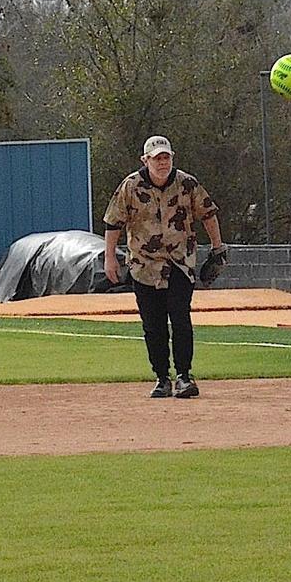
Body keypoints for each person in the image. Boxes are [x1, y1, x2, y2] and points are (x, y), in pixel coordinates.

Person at [102, 135, 225, 399]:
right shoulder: (131, 186)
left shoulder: (187, 183)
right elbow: (113, 222)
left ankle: (183, 376)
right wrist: (110, 257)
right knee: (153, 325)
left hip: (180, 263)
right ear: (145, 160)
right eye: (156, 158)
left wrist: (217, 248)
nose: (162, 163)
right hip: (144, 266)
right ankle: (161, 377)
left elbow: (208, 214)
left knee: (181, 319)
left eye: (166, 157)